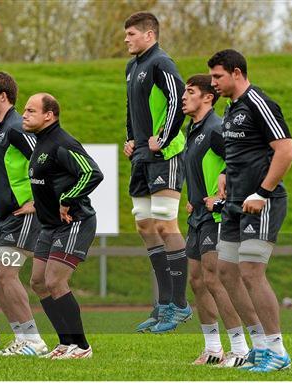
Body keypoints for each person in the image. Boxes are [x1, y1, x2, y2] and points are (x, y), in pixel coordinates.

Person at [208, 49, 292, 372]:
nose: (213, 83)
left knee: (250, 272)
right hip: (234, 205)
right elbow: (242, 152)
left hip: (262, 203)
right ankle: (258, 347)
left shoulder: (259, 103)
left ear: (237, 73)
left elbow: (286, 151)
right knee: (226, 272)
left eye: (218, 76)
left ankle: (278, 351)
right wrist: (225, 176)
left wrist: (262, 191)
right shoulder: (231, 109)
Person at [183, 75, 263, 367]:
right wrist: (194, 199)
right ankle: (213, 348)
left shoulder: (216, 128)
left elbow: (239, 162)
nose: (183, 97)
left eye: (190, 92)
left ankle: (241, 349)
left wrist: (220, 195)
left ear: (207, 98)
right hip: (198, 217)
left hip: (218, 216)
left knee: (215, 279)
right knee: (197, 281)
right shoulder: (192, 131)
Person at [0, 72, 46, 354]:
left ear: (4, 96)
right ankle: (21, 338)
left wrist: (38, 202)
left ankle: (34, 341)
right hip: (2, 216)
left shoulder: (17, 127)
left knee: (5, 273)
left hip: (24, 214)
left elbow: (44, 161)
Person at [123, 12, 190, 333]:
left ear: (149, 35)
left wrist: (162, 139)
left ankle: (179, 304)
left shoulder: (162, 63)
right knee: (144, 225)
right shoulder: (132, 67)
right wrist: (129, 139)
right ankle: (163, 304)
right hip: (141, 156)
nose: (126, 39)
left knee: (165, 224)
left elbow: (178, 100)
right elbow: (131, 107)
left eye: (132, 34)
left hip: (166, 154)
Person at [24, 93, 103, 359]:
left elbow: (92, 172)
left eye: (31, 110)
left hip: (75, 222)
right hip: (49, 225)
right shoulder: (40, 143)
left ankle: (81, 347)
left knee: (55, 280)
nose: (24, 114)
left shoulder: (61, 142)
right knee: (38, 282)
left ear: (49, 115)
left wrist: (68, 199)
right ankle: (64, 343)